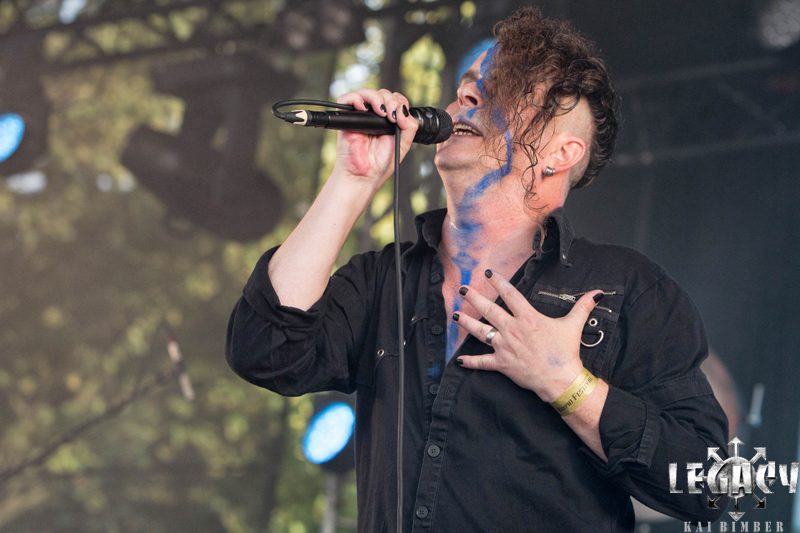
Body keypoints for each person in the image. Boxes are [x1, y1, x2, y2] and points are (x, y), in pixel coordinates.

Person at [226, 6, 728, 532]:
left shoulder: (628, 290)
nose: (466, 95)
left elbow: (712, 485)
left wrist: (567, 383)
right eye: (467, 84)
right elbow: (264, 350)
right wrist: (352, 181)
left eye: (506, 90)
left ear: (561, 153)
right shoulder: (385, 280)